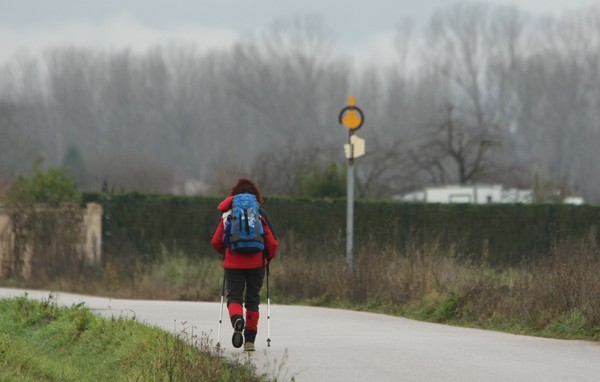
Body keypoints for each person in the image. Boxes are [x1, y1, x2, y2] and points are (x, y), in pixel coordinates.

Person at [211, 178, 278, 351]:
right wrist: (267, 258)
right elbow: (272, 243)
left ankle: (237, 320)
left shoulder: (228, 214)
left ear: (234, 195)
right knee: (253, 299)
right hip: (257, 263)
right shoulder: (260, 214)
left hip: (233, 263)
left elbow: (216, 242)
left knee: (234, 297)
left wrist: (226, 253)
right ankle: (249, 341)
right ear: (255, 195)